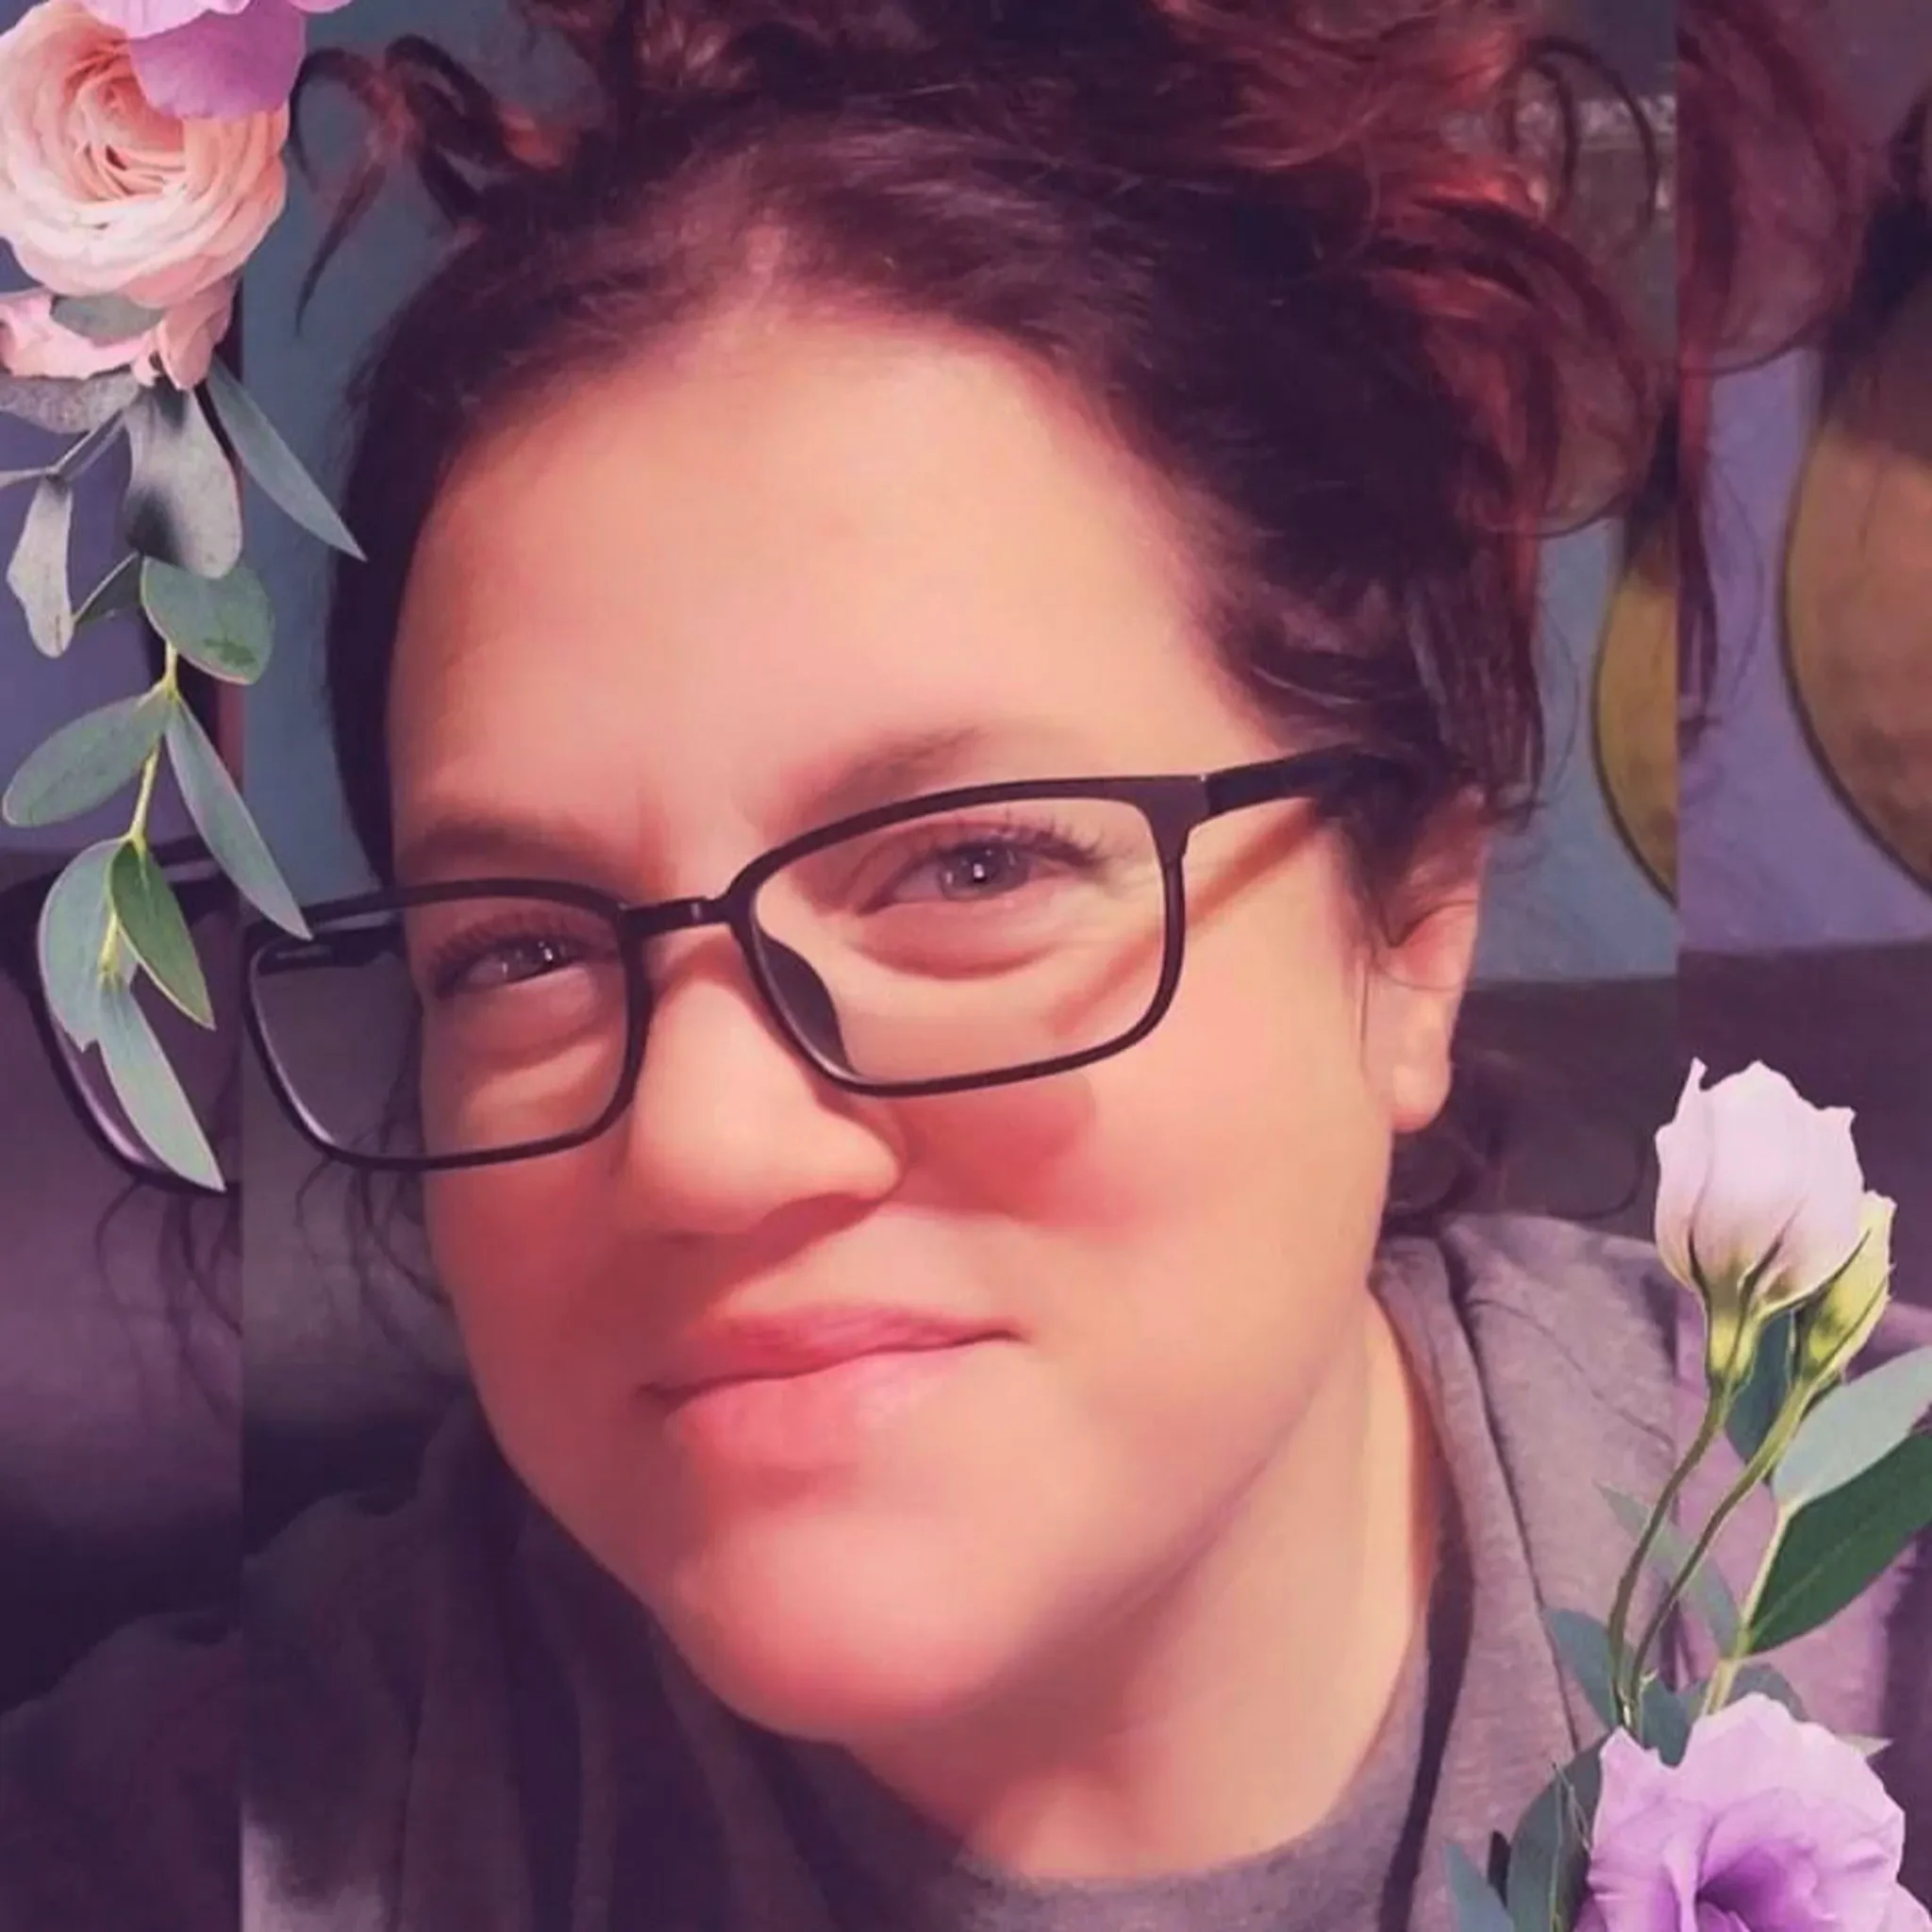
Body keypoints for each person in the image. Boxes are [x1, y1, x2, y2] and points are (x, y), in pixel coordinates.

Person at [2, 2, 1926, 1927]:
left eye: (972, 862)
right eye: (518, 948)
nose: (703, 1149)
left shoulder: (1857, 1587)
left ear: (1411, 930)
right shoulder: (232, 1822)